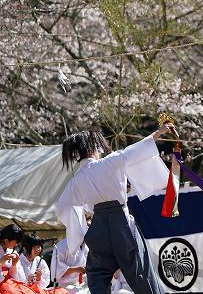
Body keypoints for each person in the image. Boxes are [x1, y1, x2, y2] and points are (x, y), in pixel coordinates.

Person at [55, 125, 174, 294]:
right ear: (93, 148)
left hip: (98, 227)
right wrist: (158, 132)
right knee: (139, 270)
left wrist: (81, 228)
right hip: (120, 221)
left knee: (96, 275)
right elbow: (136, 150)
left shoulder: (76, 180)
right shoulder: (109, 162)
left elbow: (62, 206)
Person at [0, 224, 29, 293]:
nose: (16, 245)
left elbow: (15, 276)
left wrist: (14, 264)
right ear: (6, 240)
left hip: (9, 282)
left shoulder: (11, 251)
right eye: (16, 242)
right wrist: (0, 262)